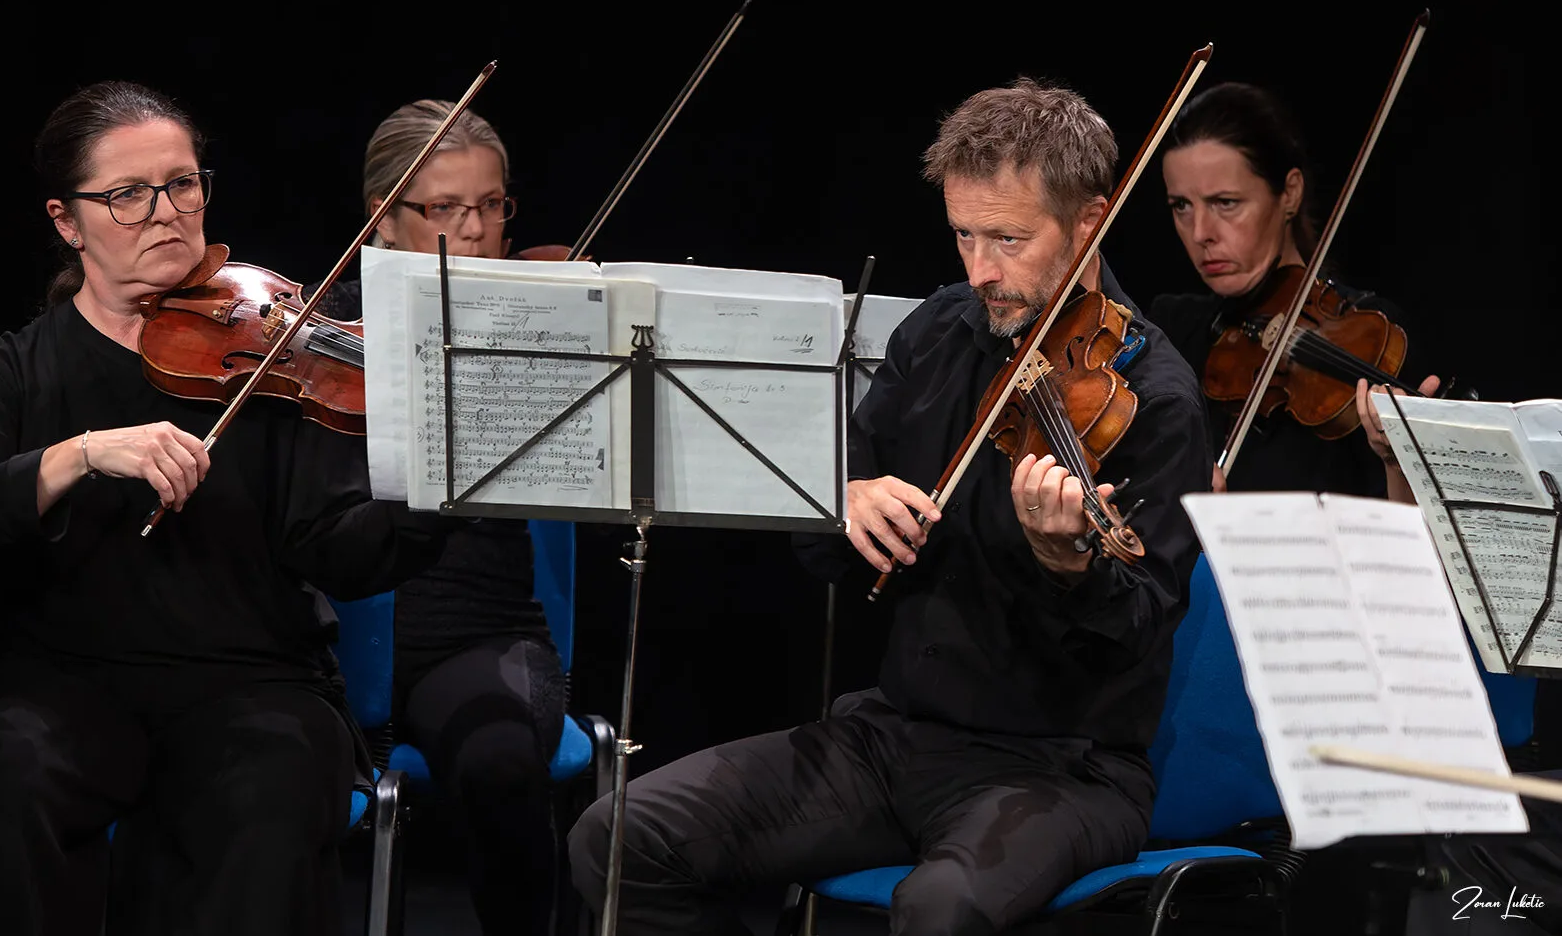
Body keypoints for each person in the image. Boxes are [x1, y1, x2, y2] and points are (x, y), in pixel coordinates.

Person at [567, 79, 1213, 934]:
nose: (980, 271)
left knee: (941, 906)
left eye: (1009, 239)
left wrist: (1071, 566)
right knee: (619, 835)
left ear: (1090, 221)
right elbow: (829, 543)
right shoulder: (938, 331)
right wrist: (843, 499)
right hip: (896, 735)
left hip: (1063, 768)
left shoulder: (1155, 396)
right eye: (964, 235)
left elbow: (1142, 624)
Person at [0, 80, 453, 936]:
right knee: (1, 775)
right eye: (128, 194)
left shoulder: (275, 351)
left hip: (252, 681)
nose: (166, 212)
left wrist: (436, 489)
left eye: (183, 184)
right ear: (66, 220)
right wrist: (83, 452)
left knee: (274, 791)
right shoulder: (9, 369)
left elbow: (344, 555)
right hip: (62, 680)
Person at [302, 99, 569, 936]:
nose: (478, 230)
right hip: (316, 645)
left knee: (500, 763)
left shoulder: (540, 319)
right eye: (446, 208)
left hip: (475, 635)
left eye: (491, 204)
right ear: (384, 217)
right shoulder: (321, 325)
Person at [1149, 81, 1442, 499]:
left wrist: (1398, 462)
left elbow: (1414, 528)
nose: (1200, 233)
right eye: (1181, 205)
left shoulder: (1371, 331)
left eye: (1225, 203)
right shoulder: (1173, 329)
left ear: (1289, 193)